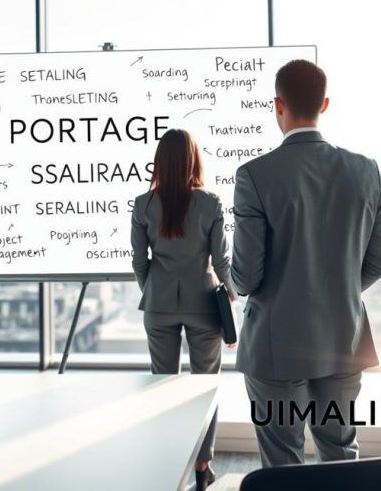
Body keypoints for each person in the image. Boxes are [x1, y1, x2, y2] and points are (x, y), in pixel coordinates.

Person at [232, 59, 381, 467]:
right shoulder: (365, 171)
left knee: (283, 464)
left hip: (275, 345)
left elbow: (247, 277)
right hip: (343, 339)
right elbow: (375, 263)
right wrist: (335, 290)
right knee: (340, 456)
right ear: (325, 104)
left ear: (277, 105)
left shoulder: (254, 175)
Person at [130, 129, 235, 491]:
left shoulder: (143, 203)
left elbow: (139, 262)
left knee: (162, 386)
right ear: (193, 160)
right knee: (205, 385)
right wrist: (232, 293)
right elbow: (221, 260)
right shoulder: (210, 203)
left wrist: (154, 291)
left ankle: (167, 460)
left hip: (158, 305)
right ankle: (203, 465)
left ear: (160, 162)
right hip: (204, 305)